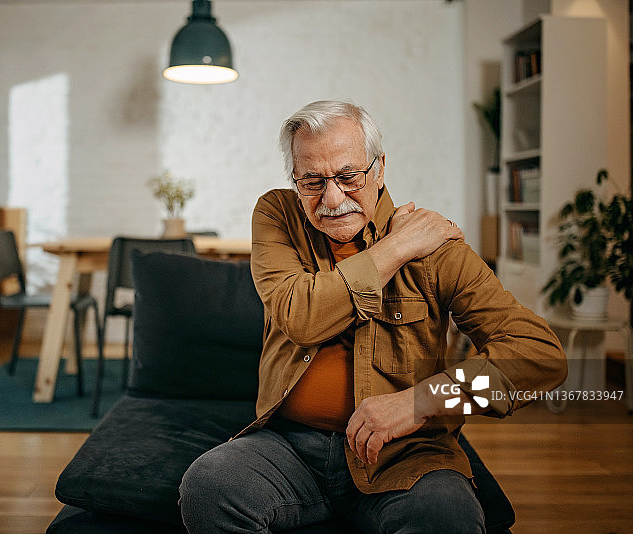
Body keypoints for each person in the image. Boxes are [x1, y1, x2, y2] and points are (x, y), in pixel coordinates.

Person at [179, 100, 567, 533]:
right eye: (312, 181)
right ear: (295, 180)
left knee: (448, 518)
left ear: (379, 168)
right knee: (208, 487)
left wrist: (421, 402)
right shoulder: (277, 214)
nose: (332, 198)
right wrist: (396, 248)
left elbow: (540, 356)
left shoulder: (438, 249)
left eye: (348, 177)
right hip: (288, 447)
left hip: (406, 454)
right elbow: (300, 316)